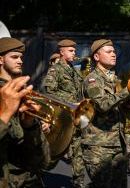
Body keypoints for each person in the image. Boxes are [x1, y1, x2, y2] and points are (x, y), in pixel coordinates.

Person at [81, 39, 130, 188]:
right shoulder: (92, 80)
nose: (114, 54)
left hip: (117, 144)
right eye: (109, 52)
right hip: (99, 146)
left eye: (114, 51)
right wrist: (127, 91)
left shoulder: (115, 79)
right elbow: (102, 105)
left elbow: (124, 107)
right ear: (96, 57)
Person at [0, 37, 50, 187]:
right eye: (14, 57)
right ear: (0, 60)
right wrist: (5, 114)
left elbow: (43, 160)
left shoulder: (23, 91)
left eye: (21, 57)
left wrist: (31, 126)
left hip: (31, 179)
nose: (20, 61)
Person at [42, 39, 85, 187]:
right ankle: (39, 172)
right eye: (71, 51)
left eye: (74, 50)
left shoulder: (73, 69)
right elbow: (49, 93)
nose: (74, 53)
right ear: (62, 52)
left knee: (77, 149)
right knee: (54, 153)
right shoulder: (55, 70)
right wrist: (71, 103)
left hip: (74, 115)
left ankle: (78, 181)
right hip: (62, 116)